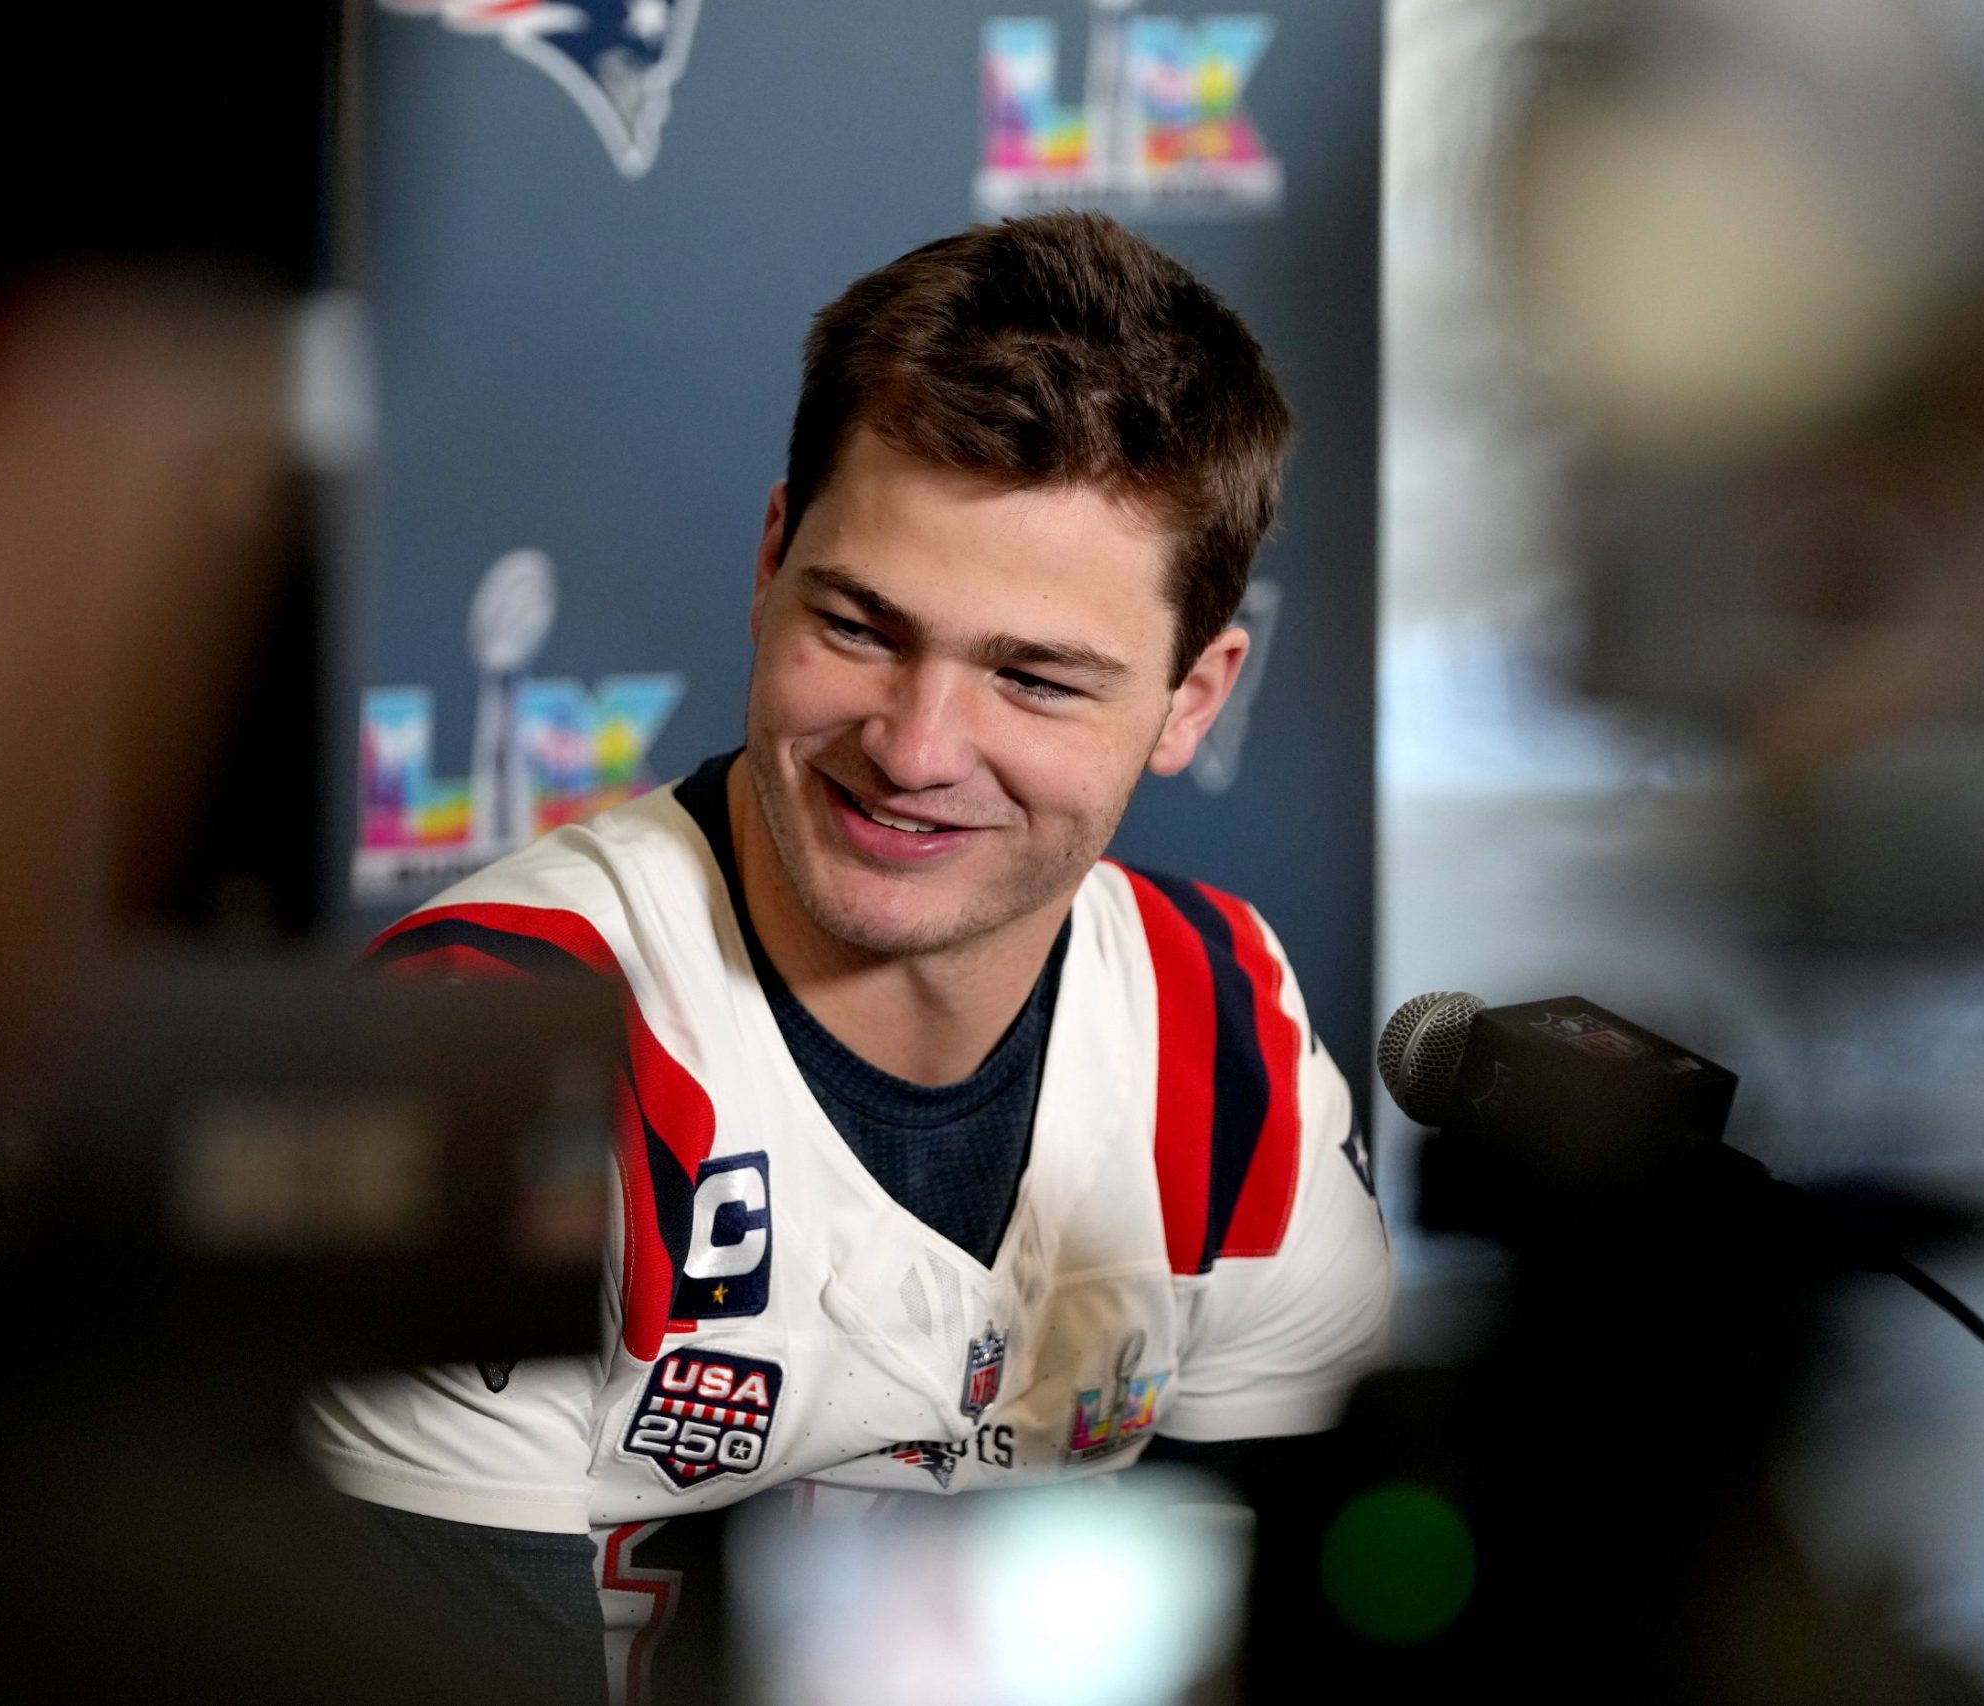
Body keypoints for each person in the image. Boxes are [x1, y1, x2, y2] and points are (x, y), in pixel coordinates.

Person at [306, 211, 1394, 1698]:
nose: (917, 746)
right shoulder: (485, 1048)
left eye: (1034, 676)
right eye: (862, 625)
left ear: (1195, 694)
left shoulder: (1228, 1036)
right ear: (771, 559)